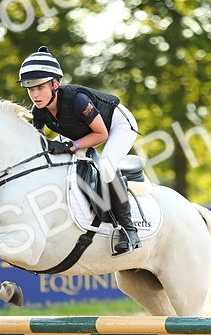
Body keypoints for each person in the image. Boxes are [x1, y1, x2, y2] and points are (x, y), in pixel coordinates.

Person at [17, 46, 141, 254]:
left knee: (106, 167)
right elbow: (34, 146)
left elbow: (101, 135)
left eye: (40, 88)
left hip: (116, 125)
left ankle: (129, 229)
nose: (35, 95)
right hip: (79, 130)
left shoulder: (77, 101)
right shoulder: (38, 111)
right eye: (30, 89)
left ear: (55, 84)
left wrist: (69, 146)